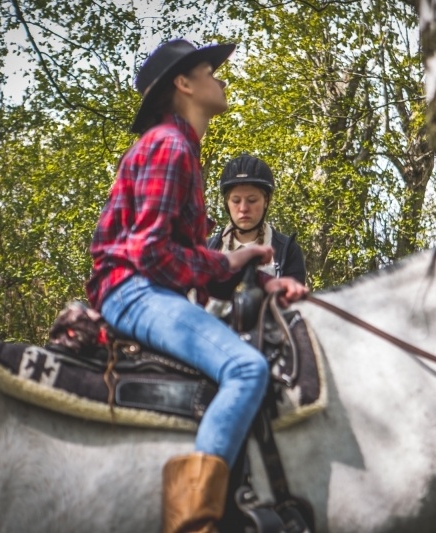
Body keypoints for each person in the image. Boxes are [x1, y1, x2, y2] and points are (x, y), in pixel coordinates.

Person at [84, 39, 308, 533]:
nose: (220, 78)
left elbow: (182, 260)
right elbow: (151, 253)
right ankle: (192, 523)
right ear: (184, 84)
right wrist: (227, 261)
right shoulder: (170, 145)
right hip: (133, 290)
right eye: (210, 70)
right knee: (246, 369)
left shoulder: (180, 147)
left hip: (144, 288)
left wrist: (252, 276)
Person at [205, 154, 306, 318]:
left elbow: (292, 309)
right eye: (236, 200)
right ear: (226, 203)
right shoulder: (208, 248)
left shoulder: (288, 250)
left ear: (266, 201)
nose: (243, 208)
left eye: (252, 200)